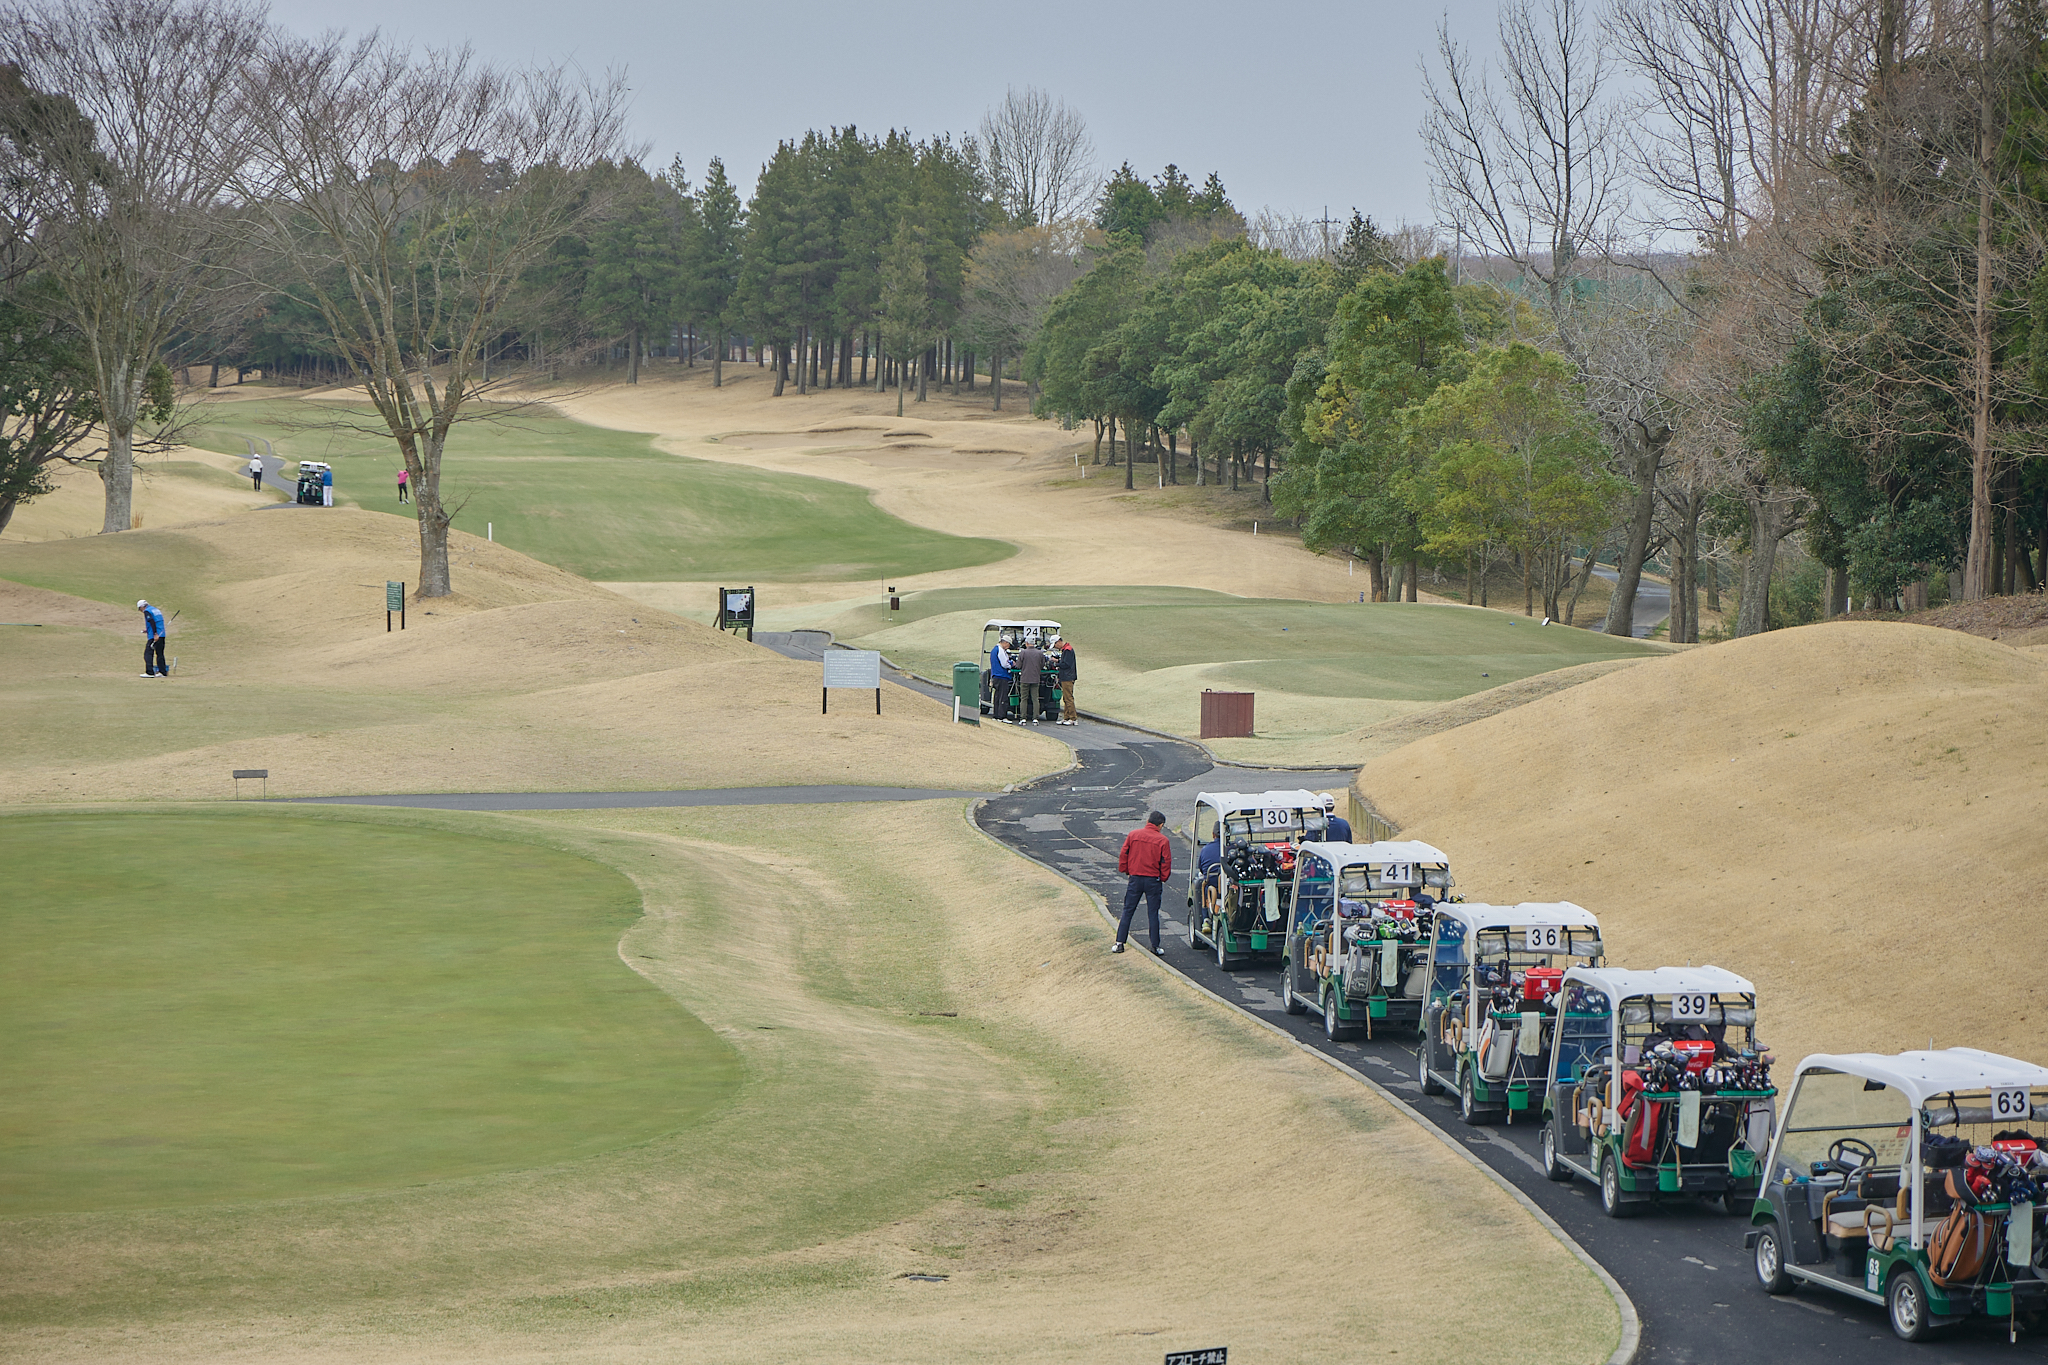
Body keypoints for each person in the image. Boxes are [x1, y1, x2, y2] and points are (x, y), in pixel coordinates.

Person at [1114, 811, 1173, 955]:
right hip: (1153, 880)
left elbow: (1124, 853)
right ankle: (1155, 946)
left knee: (1128, 910)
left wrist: (1126, 869)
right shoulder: (1163, 840)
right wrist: (1163, 877)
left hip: (1135, 878)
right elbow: (1166, 862)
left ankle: (1119, 942)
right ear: (1160, 825)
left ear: (1148, 820)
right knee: (1153, 913)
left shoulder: (1133, 835)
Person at [1016, 638, 1046, 723]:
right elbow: (1042, 664)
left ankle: (1023, 717)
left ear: (1027, 643)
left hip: (1025, 678)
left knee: (1024, 698)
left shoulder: (1023, 652)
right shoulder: (1040, 653)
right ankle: (1036, 717)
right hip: (1035, 678)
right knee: (1035, 699)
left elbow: (1018, 665)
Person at [137, 599, 167, 677]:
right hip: (162, 635)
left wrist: (154, 634)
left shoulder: (147, 611)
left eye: (140, 609)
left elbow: (152, 621)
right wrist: (148, 630)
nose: (141, 611)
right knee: (160, 653)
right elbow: (157, 622)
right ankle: (162, 672)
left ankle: (149, 672)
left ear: (142, 607)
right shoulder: (155, 610)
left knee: (148, 653)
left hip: (154, 636)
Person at [989, 637, 1014, 722]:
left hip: (996, 676)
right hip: (1002, 676)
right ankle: (1002, 716)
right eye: (1008, 645)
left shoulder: (994, 650)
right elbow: (1004, 663)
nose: (1008, 647)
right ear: (1005, 643)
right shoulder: (1000, 650)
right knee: (1003, 697)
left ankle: (996, 715)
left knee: (997, 696)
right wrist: (1011, 664)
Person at [1056, 637, 1078, 725]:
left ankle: (1073, 718)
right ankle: (1066, 717)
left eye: (1055, 644)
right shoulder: (1066, 649)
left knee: (1068, 698)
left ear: (1059, 642)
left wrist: (1057, 662)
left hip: (1068, 677)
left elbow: (1066, 664)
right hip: (1066, 677)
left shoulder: (1068, 650)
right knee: (1066, 698)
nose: (1056, 647)